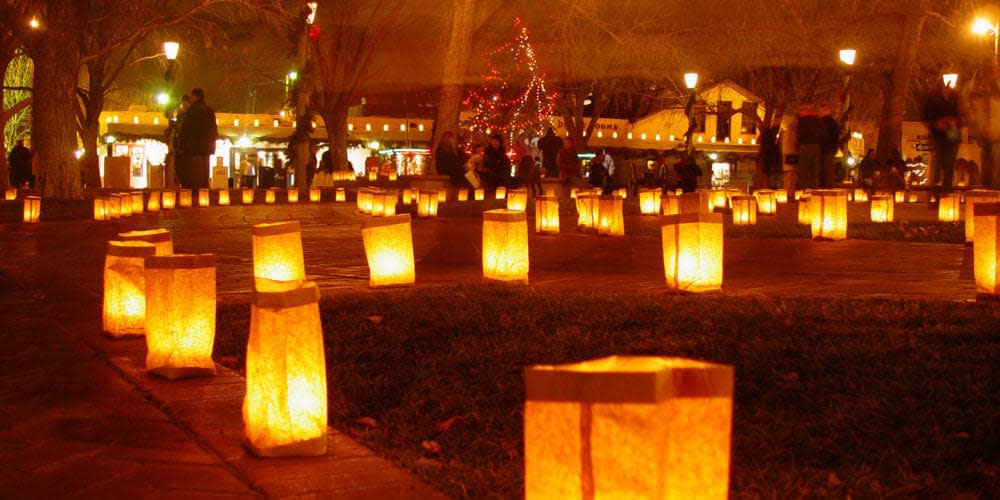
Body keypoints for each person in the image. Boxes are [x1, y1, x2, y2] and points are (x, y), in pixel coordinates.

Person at [921, 80, 961, 197]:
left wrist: (953, 121)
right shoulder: (933, 100)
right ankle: (937, 191)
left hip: (951, 133)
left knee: (949, 163)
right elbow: (926, 118)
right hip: (939, 135)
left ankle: (945, 190)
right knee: (938, 163)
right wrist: (937, 124)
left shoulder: (955, 99)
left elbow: (962, 116)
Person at [175, 88, 217, 189]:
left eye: (191, 96)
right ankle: (203, 192)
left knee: (192, 177)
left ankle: (193, 194)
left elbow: (187, 130)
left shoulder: (193, 111)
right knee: (203, 175)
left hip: (193, 150)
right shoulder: (209, 110)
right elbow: (213, 130)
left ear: (194, 96)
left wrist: (182, 145)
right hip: (206, 148)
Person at [796, 104, 824, 189]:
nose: (800, 113)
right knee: (814, 171)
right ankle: (814, 189)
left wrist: (799, 142)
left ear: (805, 111)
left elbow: (801, 134)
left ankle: (803, 190)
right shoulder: (818, 120)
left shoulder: (802, 120)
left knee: (803, 171)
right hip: (816, 147)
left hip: (805, 146)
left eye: (801, 111)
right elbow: (823, 134)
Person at [818, 105, 841, 187]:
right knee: (828, 171)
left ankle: (824, 188)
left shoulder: (821, 122)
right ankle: (828, 188)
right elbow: (836, 137)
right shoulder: (833, 123)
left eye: (821, 111)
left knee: (824, 171)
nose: (820, 113)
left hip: (824, 150)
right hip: (830, 150)